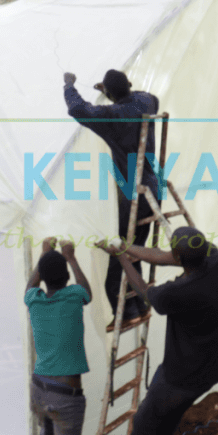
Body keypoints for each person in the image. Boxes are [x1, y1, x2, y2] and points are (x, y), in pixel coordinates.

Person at [95, 227, 218, 435]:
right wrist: (125, 247)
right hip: (212, 366)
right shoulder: (214, 258)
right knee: (167, 419)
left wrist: (120, 258)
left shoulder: (180, 292)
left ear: (179, 258)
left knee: (145, 426)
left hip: (182, 377)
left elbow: (146, 292)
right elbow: (161, 255)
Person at [63, 69, 160, 331]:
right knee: (136, 248)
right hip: (152, 190)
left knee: (121, 255)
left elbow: (78, 109)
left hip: (133, 194)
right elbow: (145, 96)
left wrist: (69, 85)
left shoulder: (111, 116)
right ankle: (140, 305)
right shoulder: (146, 102)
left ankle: (128, 311)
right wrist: (111, 91)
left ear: (109, 93)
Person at [25, 238, 93, 435]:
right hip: (65, 396)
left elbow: (30, 287)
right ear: (67, 276)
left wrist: (45, 254)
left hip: (39, 388)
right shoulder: (74, 296)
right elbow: (87, 291)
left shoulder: (35, 301)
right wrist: (71, 257)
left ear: (43, 279)